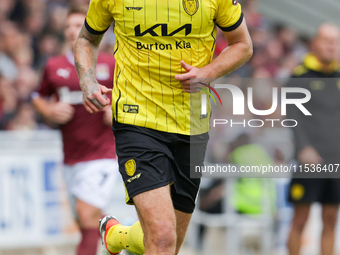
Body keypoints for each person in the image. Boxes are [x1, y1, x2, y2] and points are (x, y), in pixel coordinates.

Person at [74, 0, 253, 254]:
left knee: (168, 243)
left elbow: (243, 44)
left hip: (192, 126)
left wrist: (208, 72)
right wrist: (87, 80)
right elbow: (86, 40)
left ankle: (118, 236)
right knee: (162, 236)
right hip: (137, 120)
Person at [32, 5, 118, 255]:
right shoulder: (54, 66)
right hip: (71, 156)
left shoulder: (110, 64)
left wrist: (116, 112)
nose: (73, 31)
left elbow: (130, 98)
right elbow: (39, 96)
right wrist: (48, 111)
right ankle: (123, 241)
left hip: (102, 154)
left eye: (78, 26)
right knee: (87, 220)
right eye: (68, 26)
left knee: (86, 214)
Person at [287, 23, 340, 255]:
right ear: (315, 43)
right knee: (301, 219)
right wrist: (304, 147)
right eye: (327, 40)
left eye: (335, 41)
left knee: (330, 219)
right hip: (309, 160)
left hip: (335, 159)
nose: (331, 46)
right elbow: (292, 116)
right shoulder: (300, 77)